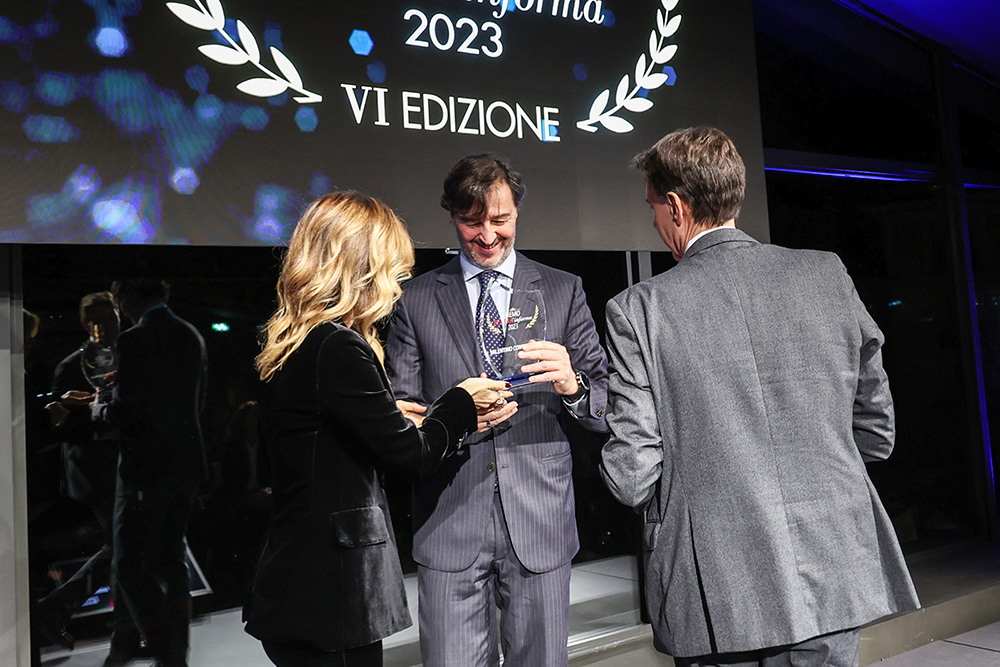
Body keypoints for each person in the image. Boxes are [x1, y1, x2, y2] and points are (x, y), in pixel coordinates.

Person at [599, 126, 920, 667]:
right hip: (833, 567)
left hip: (716, 592)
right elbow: (877, 431)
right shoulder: (826, 272)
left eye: (652, 205)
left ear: (675, 206)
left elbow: (631, 475)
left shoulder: (639, 309)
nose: (653, 220)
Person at [242, 191, 511, 667]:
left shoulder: (301, 342)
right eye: (391, 268)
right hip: (333, 593)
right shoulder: (337, 346)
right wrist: (460, 403)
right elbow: (412, 458)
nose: (397, 284)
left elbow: (324, 441)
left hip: (301, 579)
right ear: (361, 267)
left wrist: (390, 416)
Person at [385, 154, 609, 667]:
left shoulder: (562, 290)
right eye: (471, 222)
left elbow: (604, 406)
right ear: (452, 216)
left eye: (500, 220)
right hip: (448, 517)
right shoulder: (414, 299)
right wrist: (452, 417)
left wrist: (571, 383)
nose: (487, 236)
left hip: (540, 518)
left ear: (517, 212)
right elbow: (401, 413)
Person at [92, 278, 208, 667]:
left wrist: (95, 408)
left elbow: (124, 413)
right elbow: (190, 403)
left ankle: (165, 651)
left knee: (129, 567)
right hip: (185, 467)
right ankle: (177, 655)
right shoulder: (190, 334)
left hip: (145, 472)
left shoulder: (134, 338)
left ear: (126, 298)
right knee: (172, 563)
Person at [35, 292, 138, 654]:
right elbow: (60, 424)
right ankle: (58, 609)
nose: (104, 324)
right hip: (96, 472)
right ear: (84, 324)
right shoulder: (71, 366)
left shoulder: (129, 357)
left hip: (125, 466)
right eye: (96, 319)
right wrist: (100, 428)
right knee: (124, 547)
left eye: (109, 316)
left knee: (125, 548)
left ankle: (118, 633)